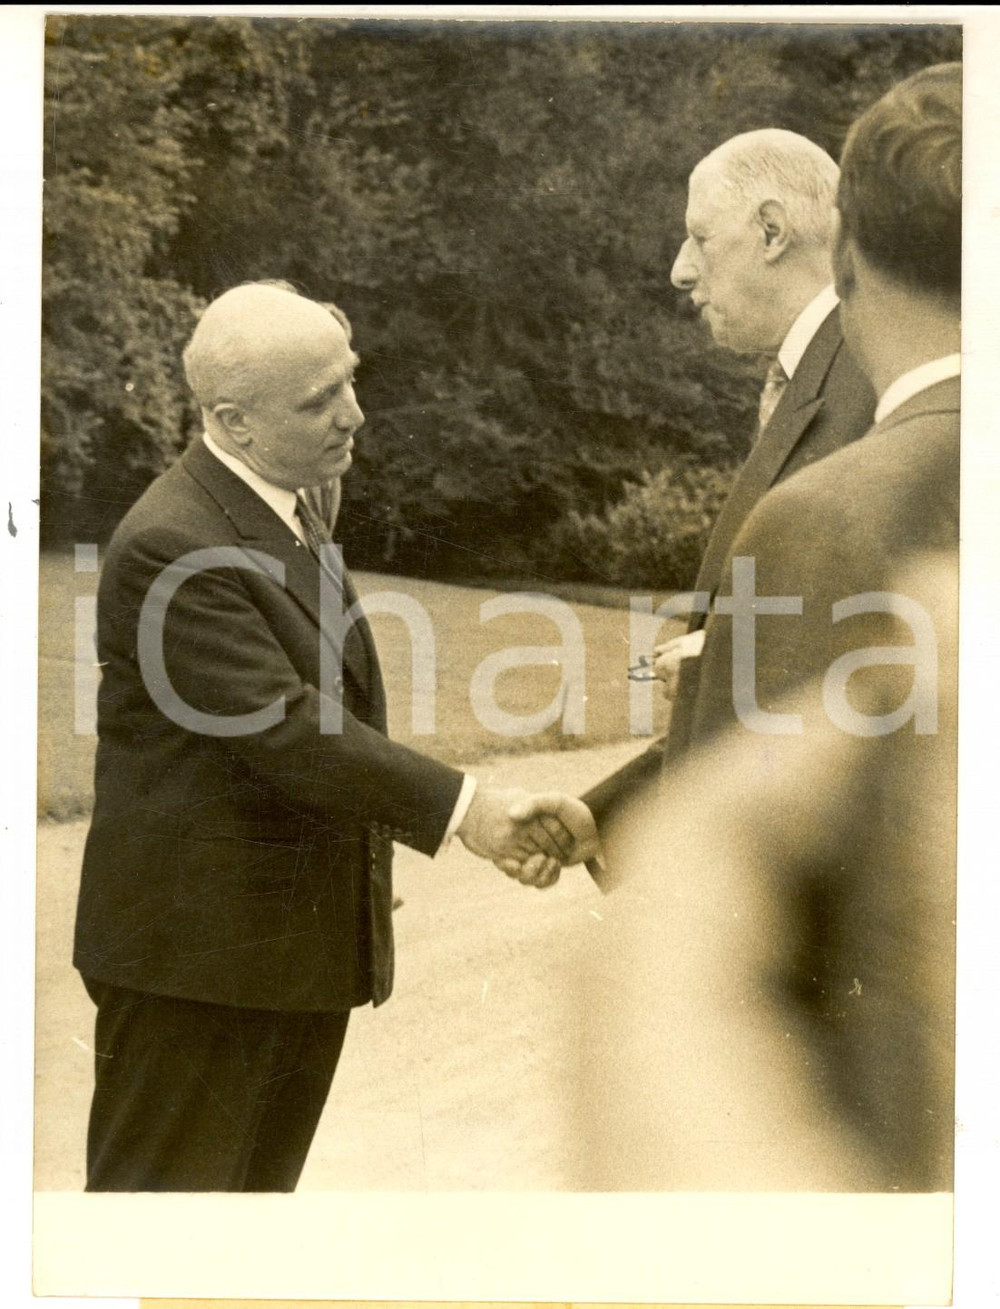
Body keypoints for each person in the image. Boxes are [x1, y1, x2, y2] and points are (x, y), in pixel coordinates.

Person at [73, 282, 594, 1192]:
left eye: (348, 379)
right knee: (158, 1250)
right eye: (319, 399)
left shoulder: (289, 503)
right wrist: (467, 809)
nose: (355, 412)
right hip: (196, 978)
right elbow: (288, 730)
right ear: (232, 422)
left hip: (277, 961)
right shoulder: (174, 547)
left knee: (248, 1246)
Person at [578, 61, 961, 1191]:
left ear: (813, 241)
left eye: (700, 240)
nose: (677, 269)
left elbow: (811, 780)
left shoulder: (860, 465)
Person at [566, 129, 878, 864]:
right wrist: (606, 812)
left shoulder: (870, 381)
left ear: (772, 231)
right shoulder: (816, 378)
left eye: (700, 238)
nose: (680, 272)